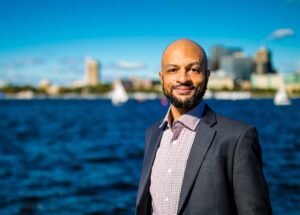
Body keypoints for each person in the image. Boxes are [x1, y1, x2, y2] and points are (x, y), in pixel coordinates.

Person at [136, 39, 272, 215]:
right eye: (173, 70)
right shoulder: (153, 133)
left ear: (207, 76)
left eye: (193, 69)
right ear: (162, 78)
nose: (183, 78)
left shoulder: (238, 138)